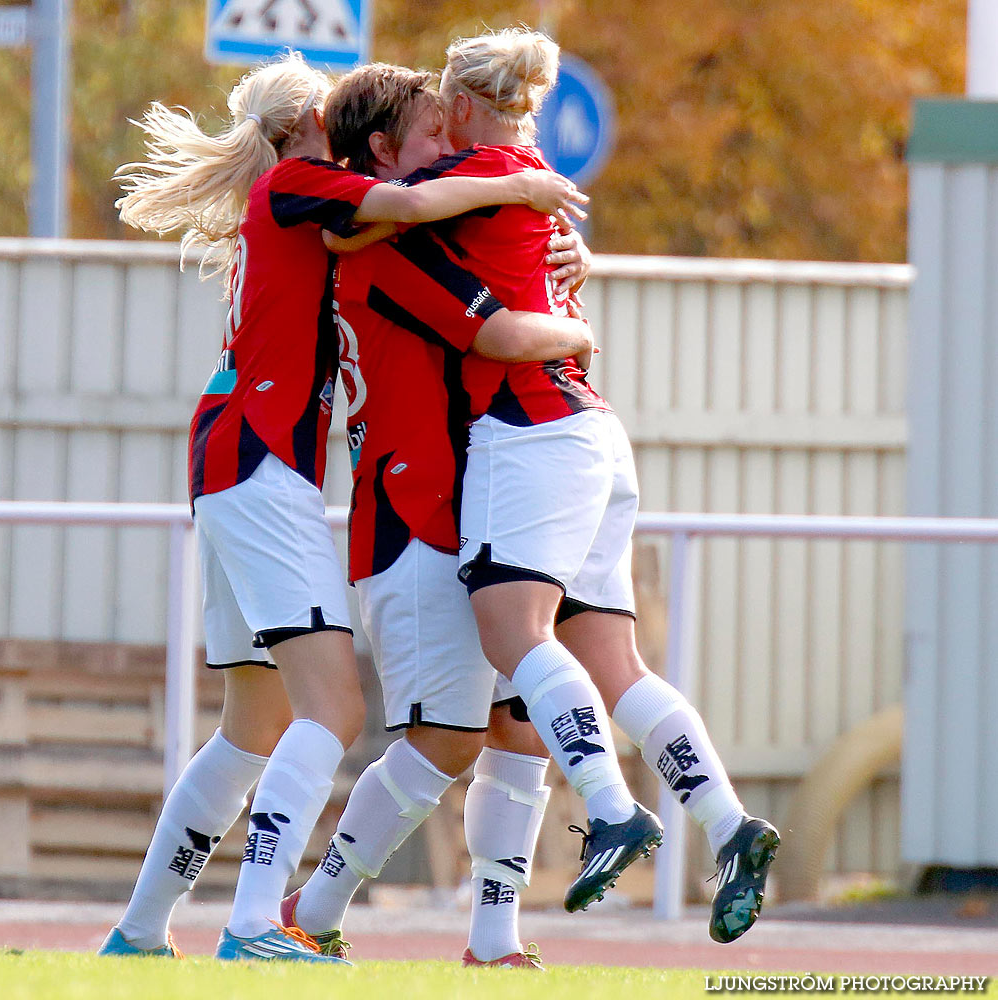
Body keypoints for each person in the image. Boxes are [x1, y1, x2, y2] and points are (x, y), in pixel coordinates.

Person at [97, 51, 591, 964]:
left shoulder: (309, 206)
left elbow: (393, 226)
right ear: (311, 127)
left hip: (233, 460)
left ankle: (138, 930)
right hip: (259, 462)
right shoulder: (301, 181)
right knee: (330, 708)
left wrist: (549, 235)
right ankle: (252, 926)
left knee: (252, 727)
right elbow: (408, 204)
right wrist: (524, 186)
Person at [420, 27, 779, 942]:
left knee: (513, 635)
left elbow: (374, 210)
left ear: (462, 106)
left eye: (435, 111)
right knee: (614, 667)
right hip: (594, 434)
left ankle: (612, 808)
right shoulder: (534, 187)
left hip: (529, 432)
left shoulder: (463, 188)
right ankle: (731, 826)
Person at [277, 63, 595, 968]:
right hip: (411, 516)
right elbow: (496, 332)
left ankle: (493, 940)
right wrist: (577, 327)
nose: (454, 154)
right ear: (381, 154)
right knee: (447, 736)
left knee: (517, 727)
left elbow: (508, 279)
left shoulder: (419, 223)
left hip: (470, 512)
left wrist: (572, 259)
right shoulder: (382, 240)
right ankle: (311, 903)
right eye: (432, 139)